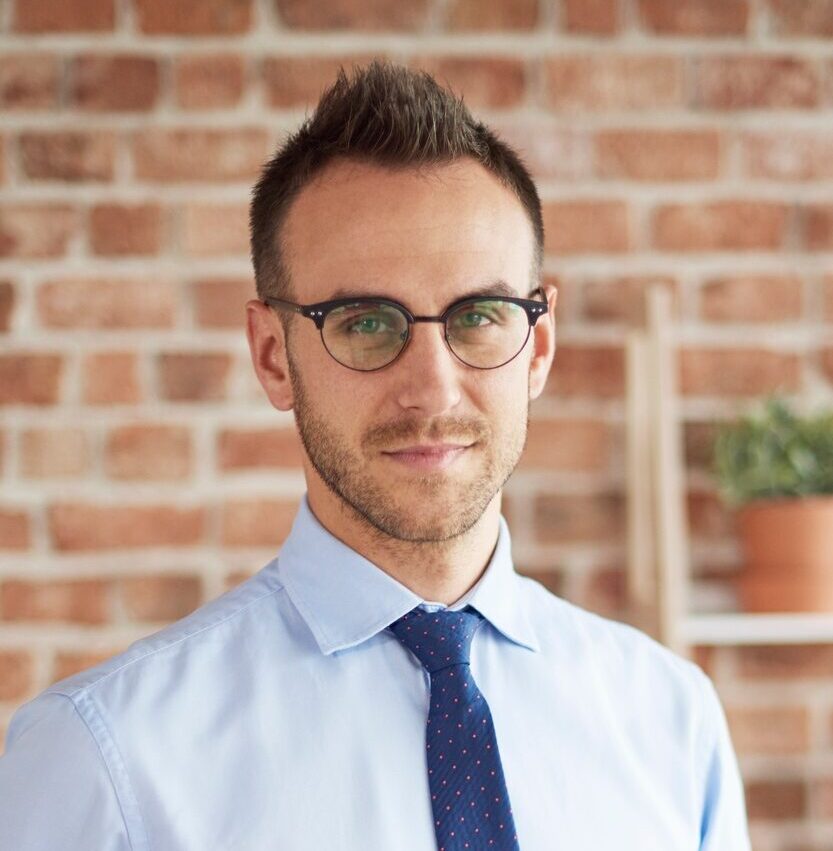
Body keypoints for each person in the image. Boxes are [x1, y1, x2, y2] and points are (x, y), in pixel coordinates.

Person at [0, 60, 750, 850]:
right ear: (271, 356)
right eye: (363, 322)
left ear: (538, 346)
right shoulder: (99, 762)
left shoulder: (673, 724)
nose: (431, 390)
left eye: (480, 315)